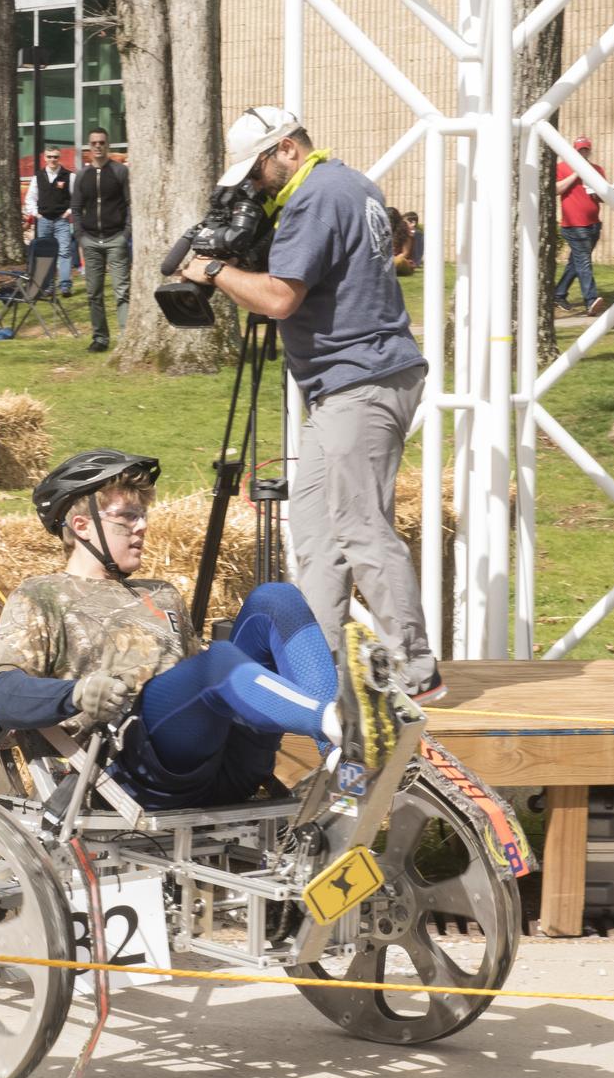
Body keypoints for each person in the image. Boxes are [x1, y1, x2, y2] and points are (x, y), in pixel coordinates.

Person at [177, 106, 444, 702]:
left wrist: (215, 267)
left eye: (258, 171)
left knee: (359, 526)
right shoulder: (348, 183)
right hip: (349, 383)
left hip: (361, 380)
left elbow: (278, 299)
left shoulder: (316, 197)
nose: (254, 185)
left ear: (288, 150)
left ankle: (416, 669)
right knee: (318, 530)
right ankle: (320, 671)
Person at [0, 450, 398, 810]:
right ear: (81, 525)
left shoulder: (161, 594)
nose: (141, 526)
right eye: (126, 516)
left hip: (221, 760)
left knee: (275, 598)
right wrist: (75, 693)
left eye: (142, 515)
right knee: (216, 664)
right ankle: (338, 720)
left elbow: (198, 684)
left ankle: (344, 759)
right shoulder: (41, 595)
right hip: (133, 770)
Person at [74, 127, 131, 351]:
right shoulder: (82, 175)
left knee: (122, 291)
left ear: (107, 145)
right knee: (93, 293)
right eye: (94, 143)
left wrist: (126, 233)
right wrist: (80, 236)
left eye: (102, 143)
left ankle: (126, 338)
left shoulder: (119, 172)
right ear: (89, 147)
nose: (98, 146)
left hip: (116, 238)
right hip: (90, 241)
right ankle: (100, 338)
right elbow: (76, 208)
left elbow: (129, 204)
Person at [554, 136, 607, 316]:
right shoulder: (562, 168)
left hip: (593, 224)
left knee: (576, 263)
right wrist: (577, 174)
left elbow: (602, 196)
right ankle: (591, 301)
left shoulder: (597, 170)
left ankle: (559, 294)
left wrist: (604, 193)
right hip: (573, 225)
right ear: (574, 151)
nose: (583, 153)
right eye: (579, 150)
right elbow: (556, 189)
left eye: (585, 150)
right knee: (584, 262)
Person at [23, 145, 75, 295]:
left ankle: (65, 285)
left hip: (61, 221)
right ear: (45, 158)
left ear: (59, 158)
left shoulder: (69, 176)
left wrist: (69, 212)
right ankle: (48, 286)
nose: (53, 160)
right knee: (46, 253)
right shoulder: (37, 177)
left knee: (64, 252)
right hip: (44, 221)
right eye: (49, 157)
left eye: (56, 157)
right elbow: (30, 199)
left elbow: (77, 198)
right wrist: (36, 214)